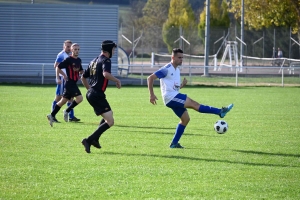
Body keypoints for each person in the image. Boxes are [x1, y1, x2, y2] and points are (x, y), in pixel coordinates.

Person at [147, 48, 234, 148]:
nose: (181, 59)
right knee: (195, 105)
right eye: (179, 57)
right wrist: (151, 95)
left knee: (185, 119)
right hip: (170, 97)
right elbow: (150, 78)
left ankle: (174, 144)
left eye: (182, 58)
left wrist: (181, 85)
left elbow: (173, 87)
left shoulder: (177, 70)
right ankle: (220, 112)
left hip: (173, 97)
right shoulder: (166, 69)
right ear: (173, 57)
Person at [81, 40, 121, 153]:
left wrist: (89, 89)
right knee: (110, 121)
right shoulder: (106, 60)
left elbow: (83, 77)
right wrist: (117, 80)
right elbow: (106, 74)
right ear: (108, 50)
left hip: (92, 93)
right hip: (96, 94)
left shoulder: (94, 60)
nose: (114, 51)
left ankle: (95, 139)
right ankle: (88, 140)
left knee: (108, 116)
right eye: (113, 49)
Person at [47, 43, 84, 127]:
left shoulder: (78, 60)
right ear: (71, 50)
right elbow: (58, 67)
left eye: (78, 49)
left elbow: (80, 70)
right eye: (75, 49)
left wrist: (85, 73)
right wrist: (59, 77)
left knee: (63, 101)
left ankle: (51, 115)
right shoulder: (68, 59)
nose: (77, 51)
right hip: (69, 83)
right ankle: (67, 111)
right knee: (80, 98)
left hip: (73, 83)